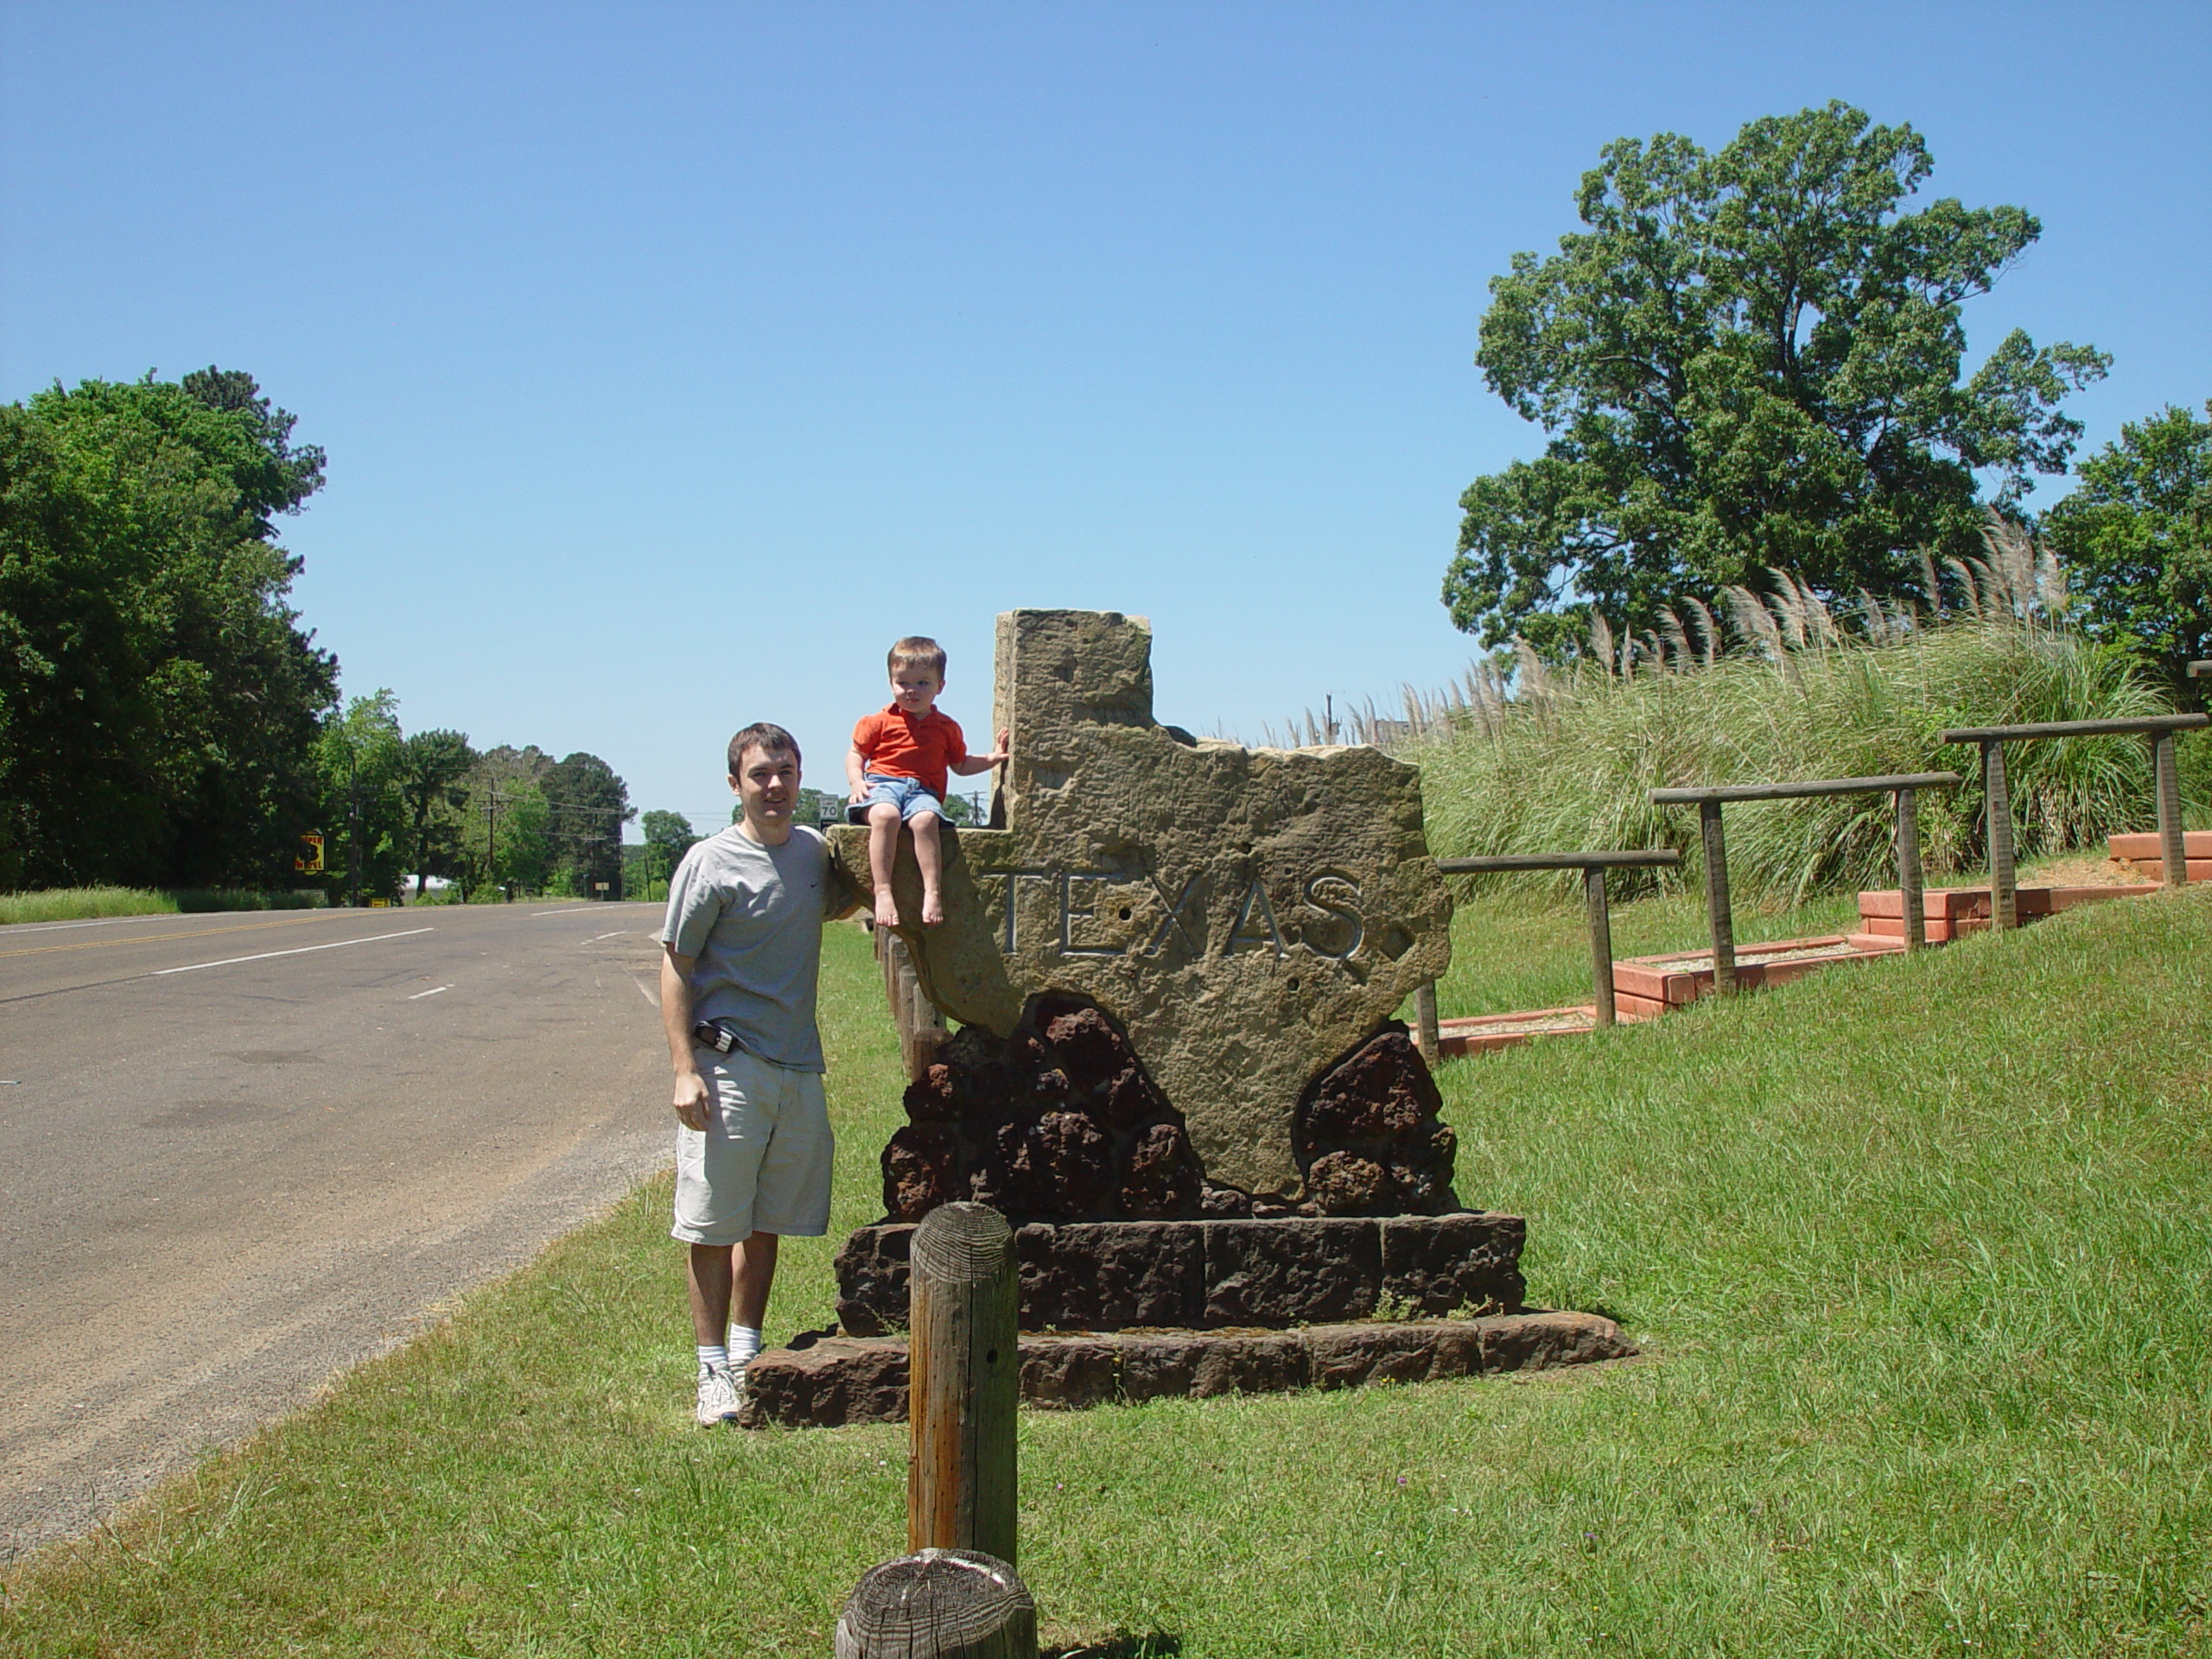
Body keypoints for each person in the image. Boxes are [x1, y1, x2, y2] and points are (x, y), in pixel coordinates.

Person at [658, 722, 855, 1426]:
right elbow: (676, 966)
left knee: (765, 1220)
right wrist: (686, 1070)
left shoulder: (813, 855)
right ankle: (711, 1371)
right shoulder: (710, 863)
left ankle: (747, 1353)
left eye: (786, 772)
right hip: (728, 1063)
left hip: (797, 1068)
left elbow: (858, 894)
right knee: (714, 1223)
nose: (775, 785)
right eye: (760, 774)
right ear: (735, 783)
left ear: (801, 779)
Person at [845, 636, 1009, 928]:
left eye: (922, 683)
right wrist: (857, 782)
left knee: (926, 821)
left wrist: (994, 757)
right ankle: (883, 891)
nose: (911, 691)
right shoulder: (878, 721)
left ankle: (932, 892)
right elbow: (856, 754)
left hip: (923, 791)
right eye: (903, 682)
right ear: (891, 682)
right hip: (882, 785)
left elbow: (960, 764)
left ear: (940, 686)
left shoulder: (946, 727)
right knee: (886, 815)